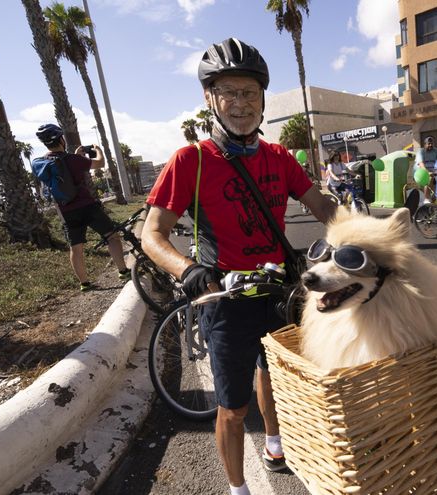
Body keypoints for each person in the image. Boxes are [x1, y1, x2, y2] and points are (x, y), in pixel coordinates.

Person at [141, 38, 335, 495]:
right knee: (232, 406)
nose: (241, 104)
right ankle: (237, 488)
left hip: (279, 294)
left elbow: (322, 208)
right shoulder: (191, 161)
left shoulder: (279, 157)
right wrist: (187, 269)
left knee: (274, 376)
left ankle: (274, 445)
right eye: (230, 92)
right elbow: (153, 235)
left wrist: (363, 237)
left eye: (250, 93)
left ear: (263, 99)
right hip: (225, 300)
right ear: (210, 98)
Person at [34, 123, 130, 292]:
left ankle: (84, 283)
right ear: (61, 139)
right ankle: (123, 271)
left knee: (76, 248)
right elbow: (99, 163)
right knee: (112, 237)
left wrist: (74, 156)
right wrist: (97, 149)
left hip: (65, 211)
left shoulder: (41, 163)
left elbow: (60, 169)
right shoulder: (74, 160)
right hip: (87, 206)